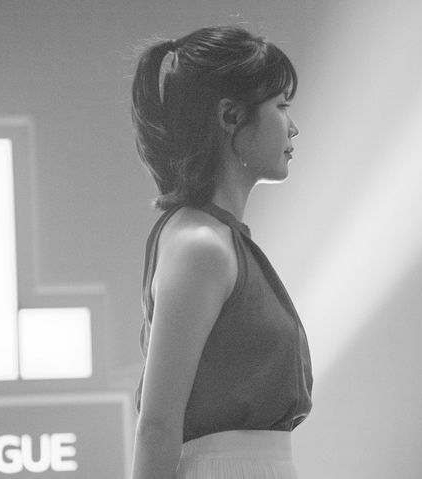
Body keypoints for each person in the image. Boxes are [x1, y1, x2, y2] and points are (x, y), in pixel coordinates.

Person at [130, 25, 313, 479]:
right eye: (281, 106)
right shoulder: (201, 246)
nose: (293, 127)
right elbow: (156, 426)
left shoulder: (214, 239)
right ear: (230, 115)